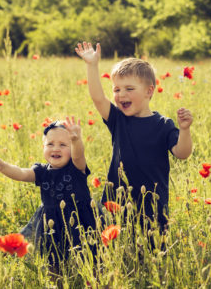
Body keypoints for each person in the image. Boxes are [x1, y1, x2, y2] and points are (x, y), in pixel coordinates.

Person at [75, 42, 193, 238]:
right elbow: (98, 98)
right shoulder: (118, 119)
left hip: (152, 203)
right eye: (117, 89)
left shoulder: (163, 124)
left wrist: (185, 130)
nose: (121, 95)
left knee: (152, 251)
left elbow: (182, 153)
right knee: (117, 250)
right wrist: (92, 65)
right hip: (117, 200)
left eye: (129, 89)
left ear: (149, 91)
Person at [0, 117, 98, 271]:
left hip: (80, 220)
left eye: (63, 145)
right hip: (51, 224)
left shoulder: (77, 168)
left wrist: (76, 141)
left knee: (90, 258)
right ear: (43, 147)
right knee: (52, 261)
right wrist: (3, 167)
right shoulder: (42, 172)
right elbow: (22, 174)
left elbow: (78, 155)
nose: (56, 148)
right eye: (50, 144)